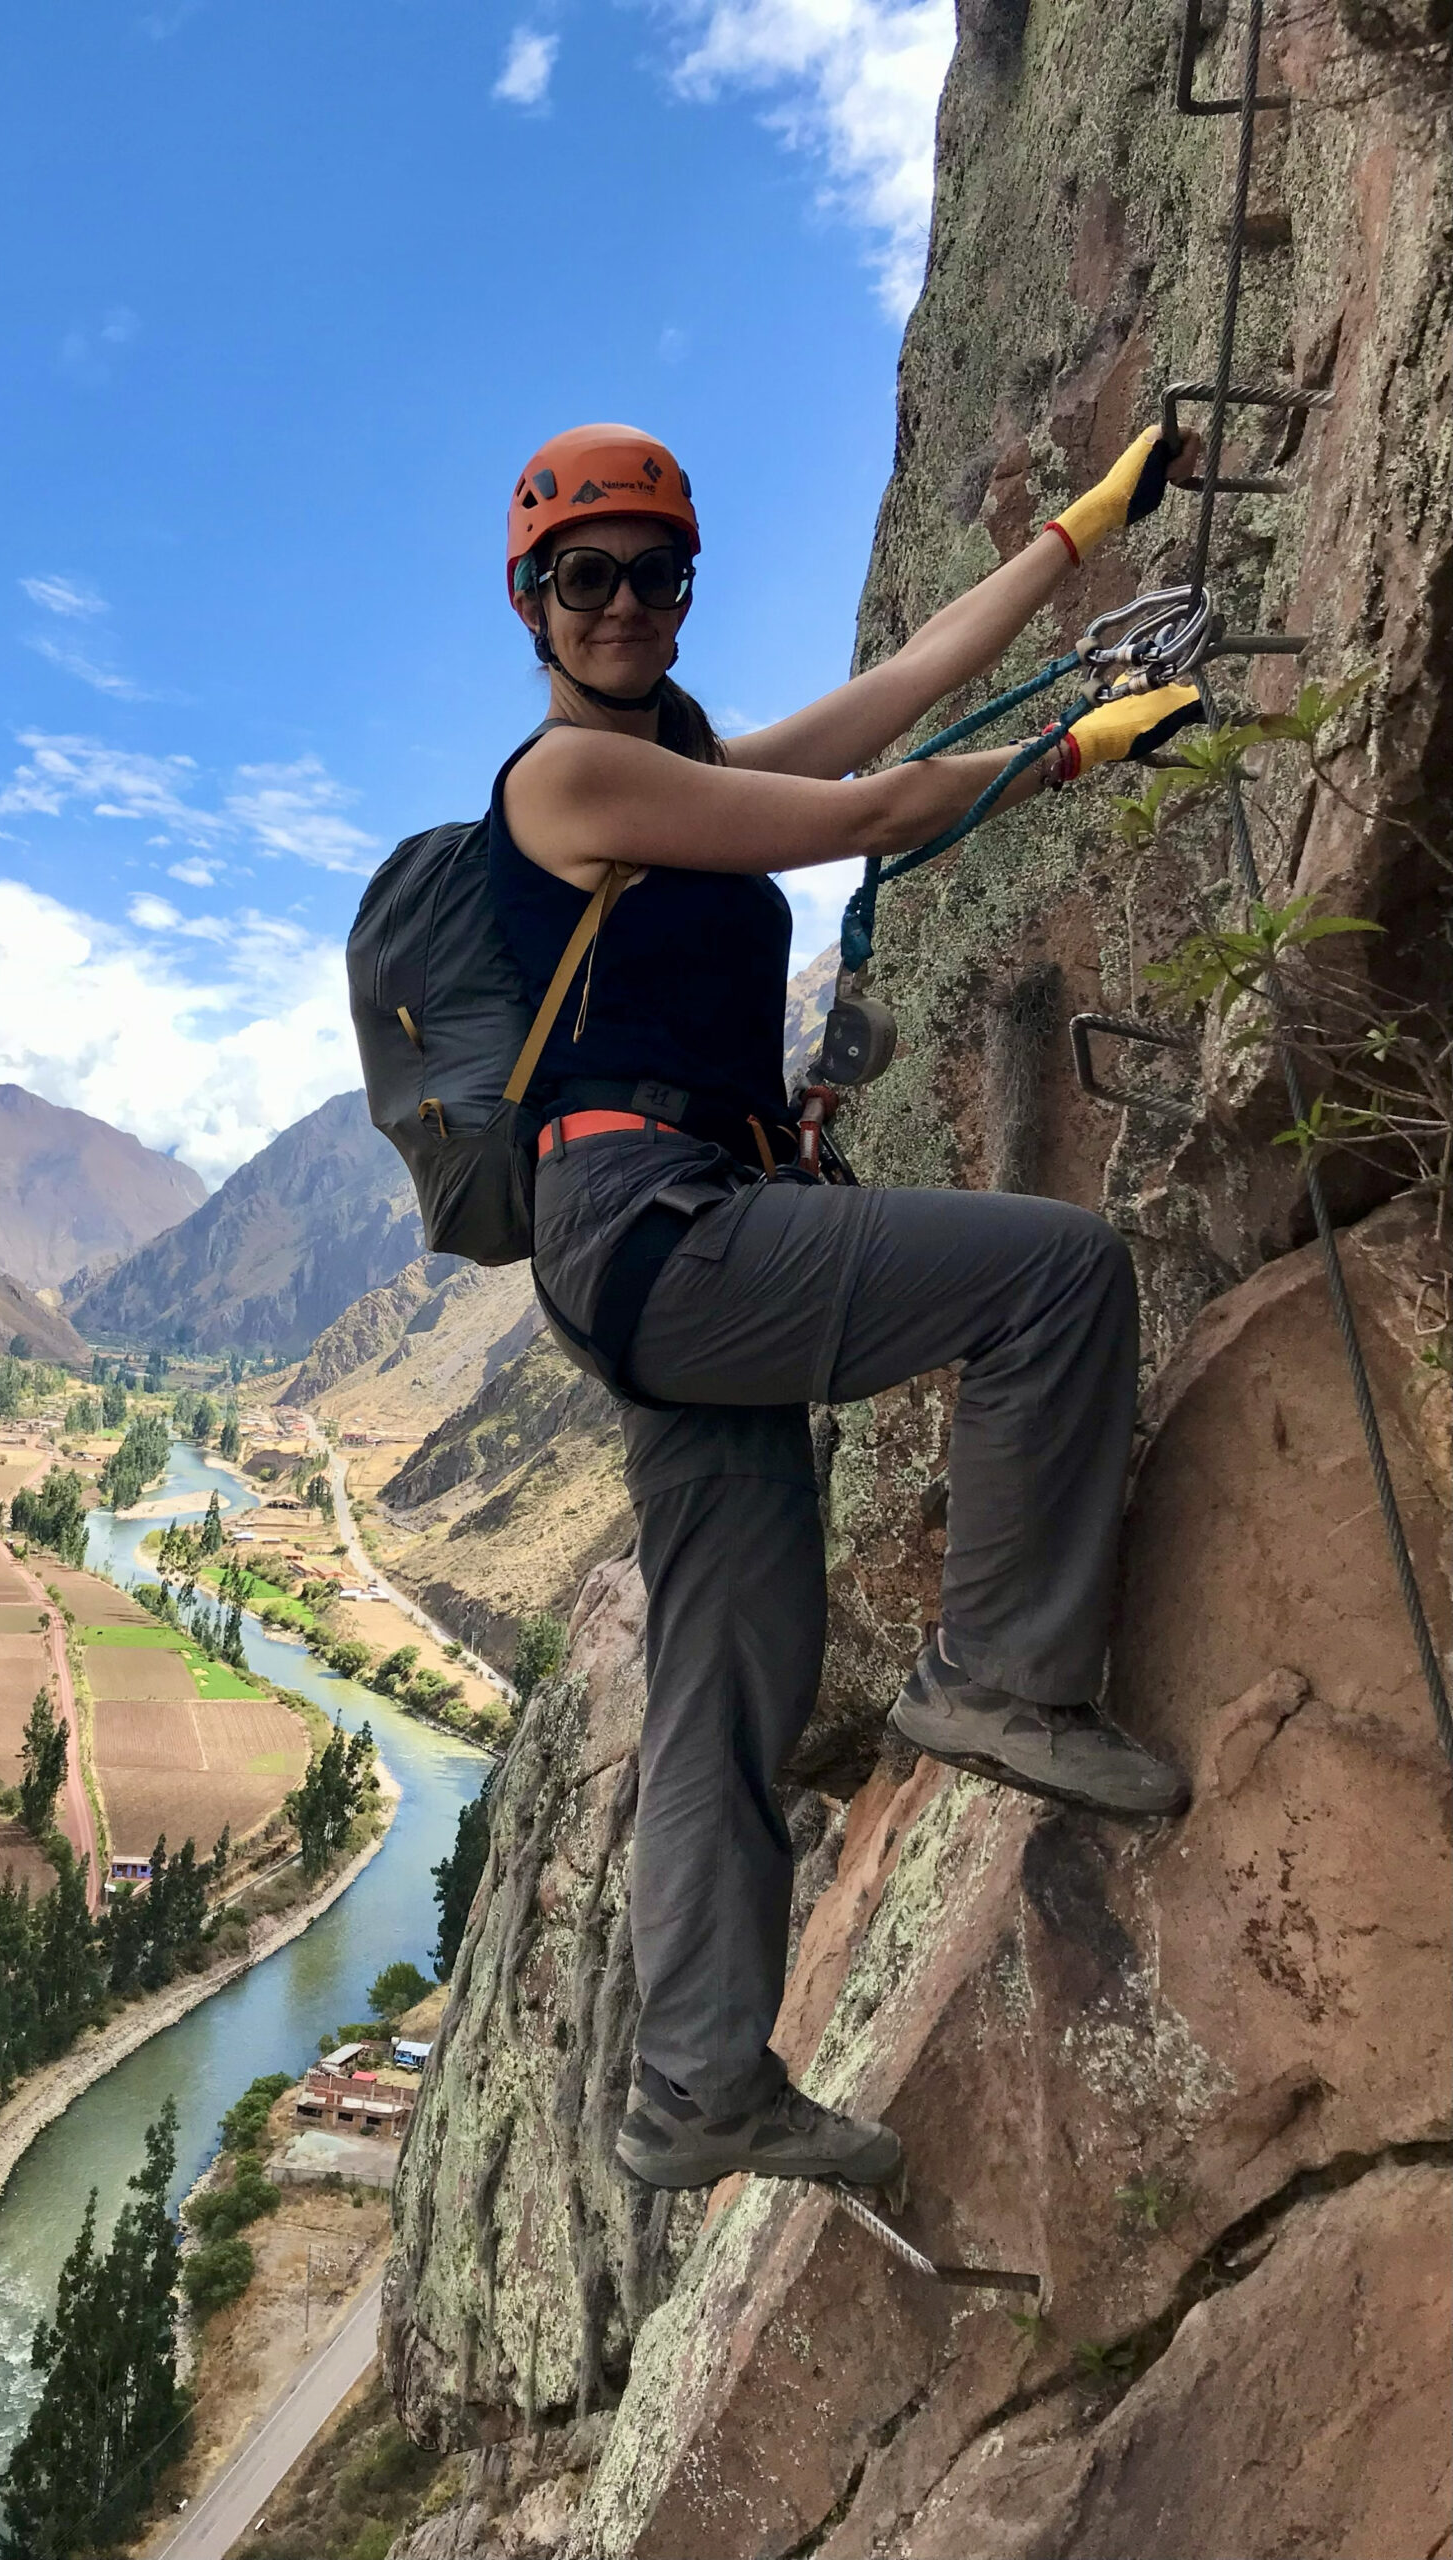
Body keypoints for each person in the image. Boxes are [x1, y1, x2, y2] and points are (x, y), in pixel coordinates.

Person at [489, 422, 1200, 2195]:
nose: (627, 605)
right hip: (658, 1230)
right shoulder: (569, 787)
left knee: (726, 1691)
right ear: (534, 605)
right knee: (1055, 1274)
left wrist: (1070, 538)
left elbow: (888, 706)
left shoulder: (688, 768)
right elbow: (878, 813)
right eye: (590, 578)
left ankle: (697, 2084)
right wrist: (1078, 749)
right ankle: (1005, 1680)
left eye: (657, 573)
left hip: (665, 1241)